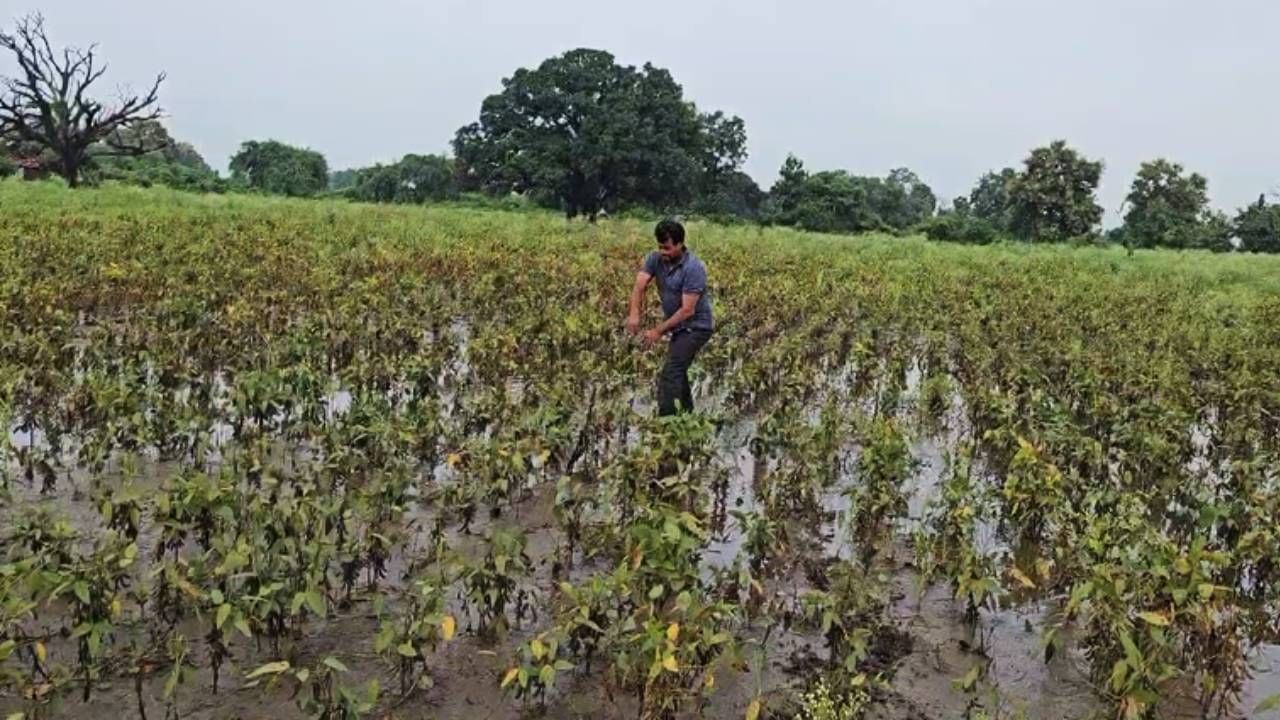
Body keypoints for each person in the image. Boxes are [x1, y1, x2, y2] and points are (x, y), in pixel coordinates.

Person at [625, 218, 714, 416]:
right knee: (679, 371)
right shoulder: (655, 258)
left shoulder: (694, 268)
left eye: (667, 248)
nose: (662, 252)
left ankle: (667, 423)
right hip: (679, 327)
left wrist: (658, 331)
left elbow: (687, 311)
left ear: (680, 244)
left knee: (671, 372)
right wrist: (634, 314)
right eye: (659, 247)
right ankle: (687, 417)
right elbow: (640, 285)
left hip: (697, 327)